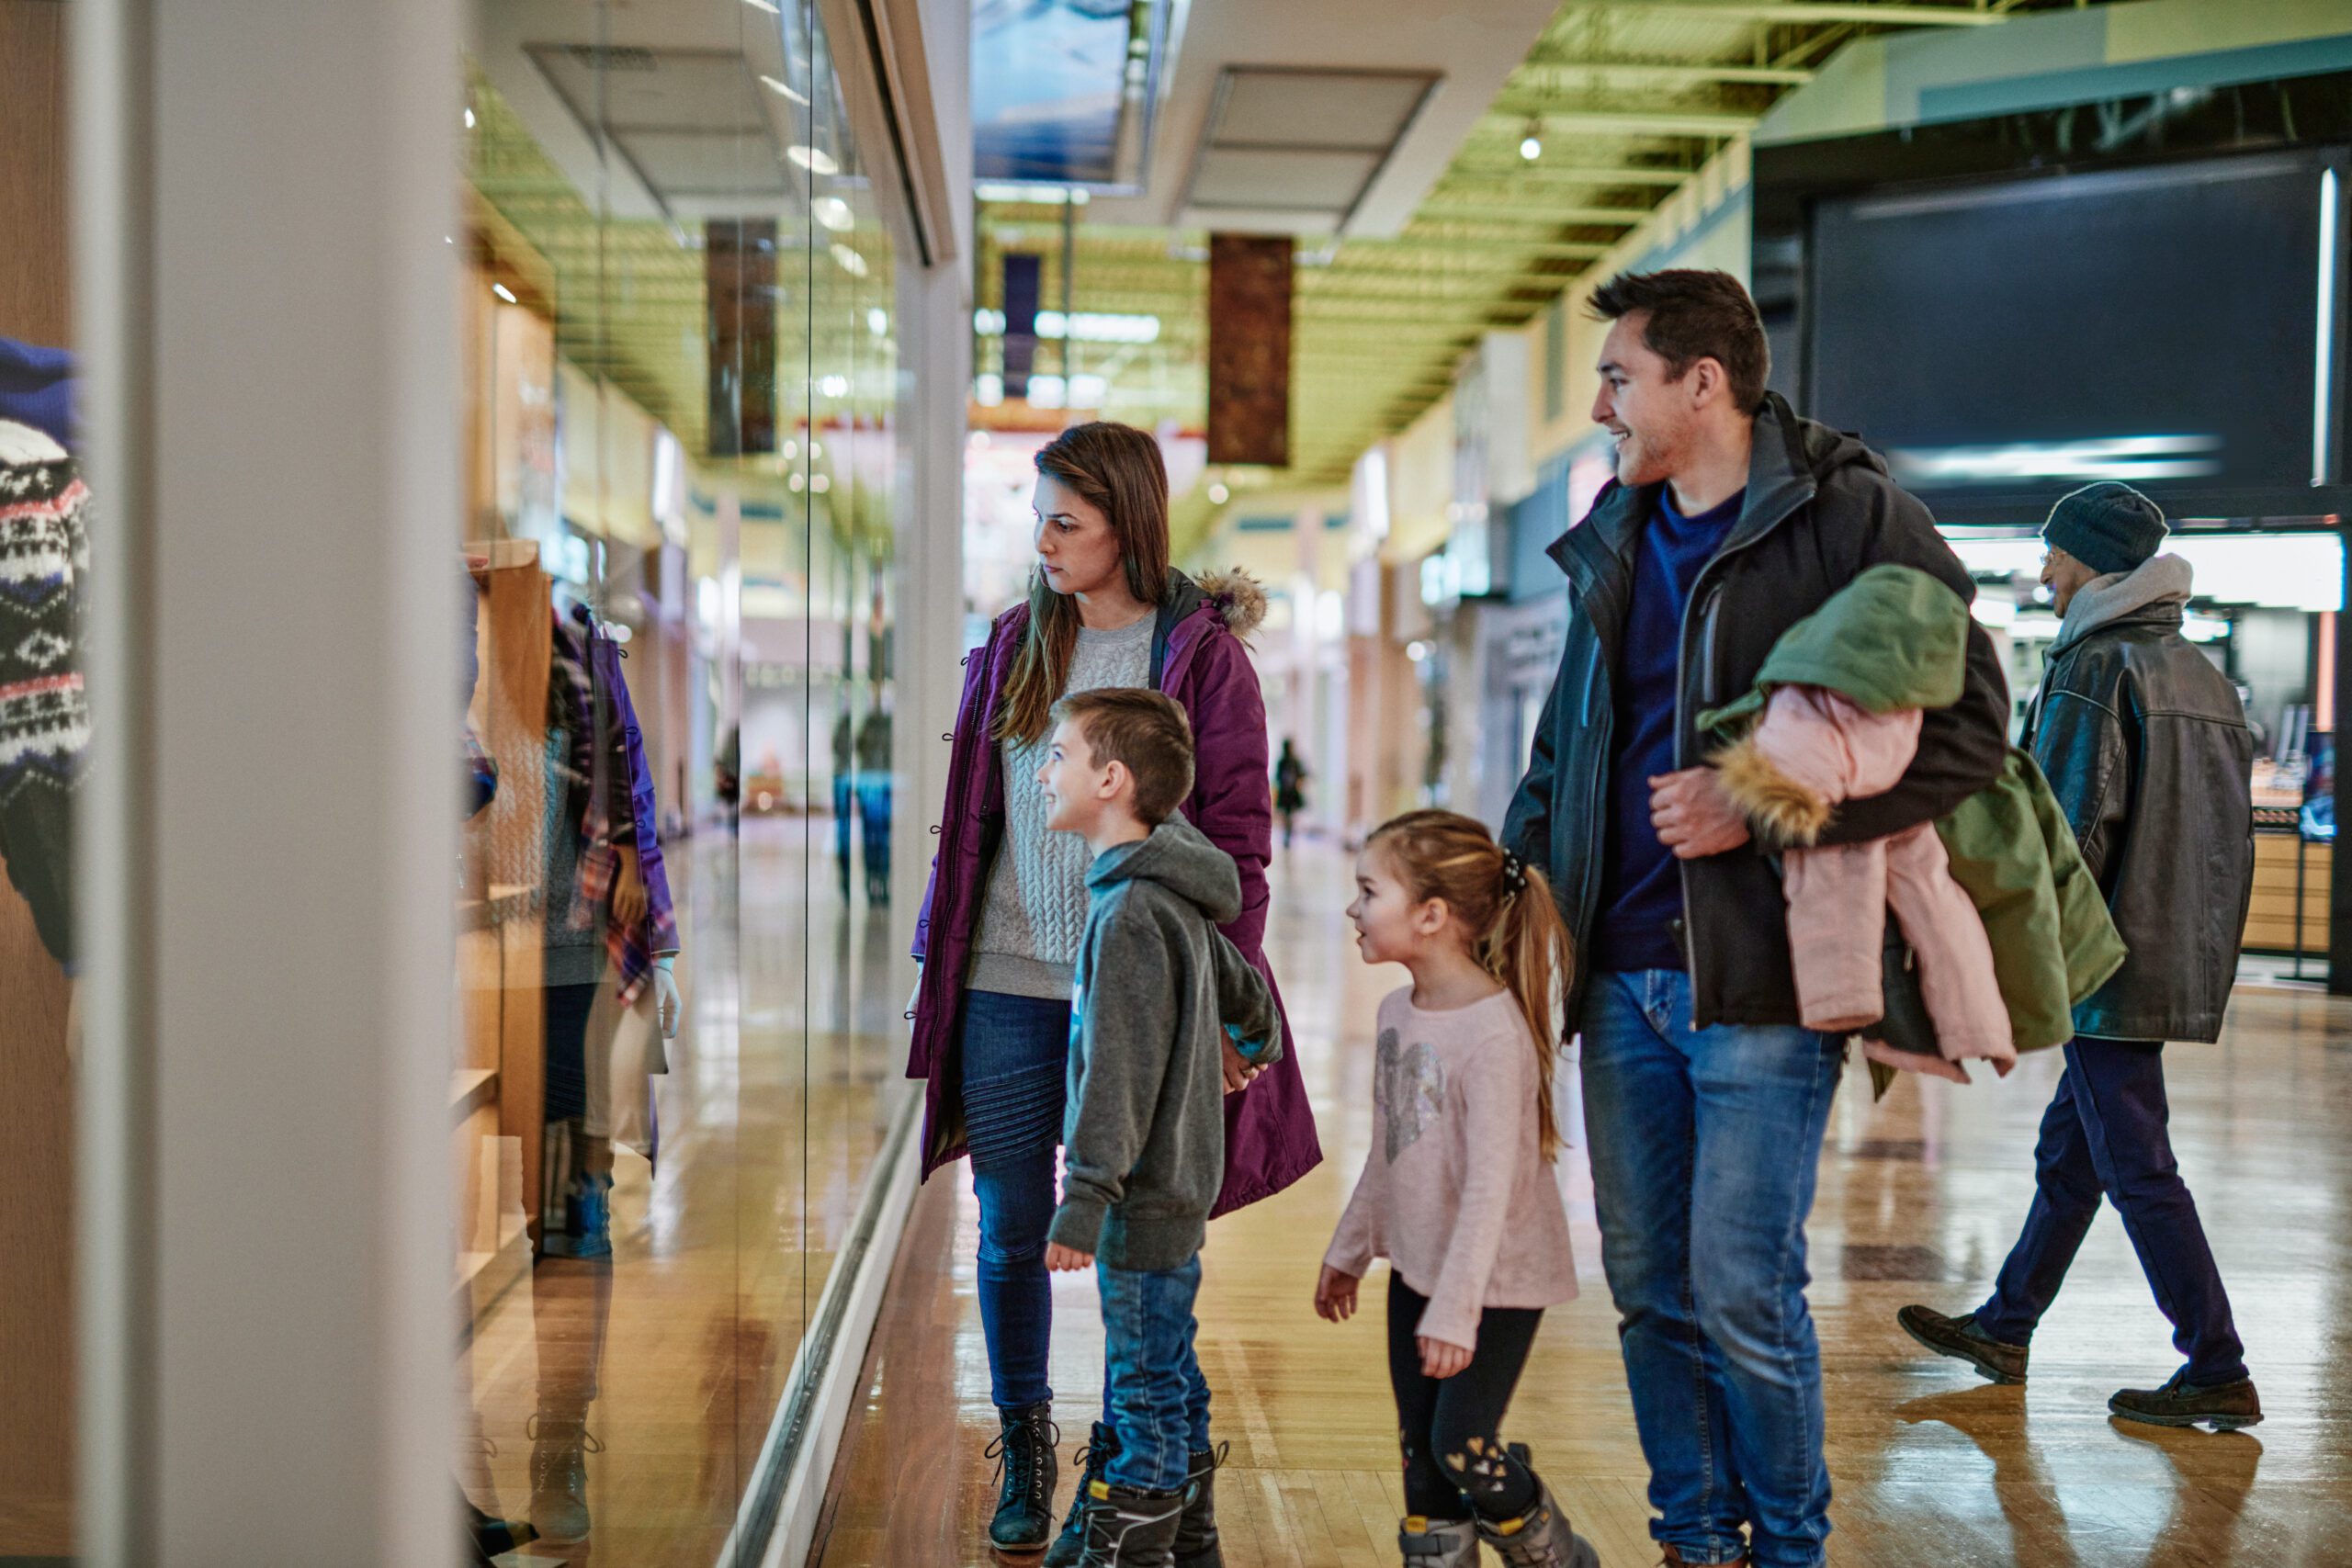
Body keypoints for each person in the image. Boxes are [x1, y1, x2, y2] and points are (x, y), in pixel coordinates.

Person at [1501, 268, 2008, 1568]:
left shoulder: (1852, 515)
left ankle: (1788, 1546)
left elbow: (1970, 730)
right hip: (1618, 973)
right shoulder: (1617, 528)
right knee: (1650, 1292)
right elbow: (1572, 736)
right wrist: (1493, 894)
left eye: (1621, 374)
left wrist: (1764, 804)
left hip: (1768, 976)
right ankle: (1695, 1538)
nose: (1602, 402)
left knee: (1742, 1289)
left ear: (1702, 382)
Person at [903, 421, 1323, 1557]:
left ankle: (1139, 1457)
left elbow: (1238, 844)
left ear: (1125, 527)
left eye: (1065, 522)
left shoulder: (1199, 657)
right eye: (1038, 516)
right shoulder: (1010, 645)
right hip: (1002, 979)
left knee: (1141, 1237)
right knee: (1010, 1226)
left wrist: (1230, 1002)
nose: (1041, 540)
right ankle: (1028, 1435)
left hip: (1131, 987)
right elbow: (981, 823)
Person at [1897, 481, 2261, 1430]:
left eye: (2055, 553)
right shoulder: (2199, 673)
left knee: (2136, 1160)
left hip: (2104, 959)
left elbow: (2058, 834)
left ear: (2094, 560)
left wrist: (1999, 951)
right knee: (2074, 1152)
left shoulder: (2094, 666)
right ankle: (2006, 1324)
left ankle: (2214, 1361)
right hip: (2167, 949)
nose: (2043, 570)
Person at [1036, 688, 1280, 1568]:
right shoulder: (1168, 892)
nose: (1043, 769)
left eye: (1059, 754)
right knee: (1168, 1372)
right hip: (1177, 1184)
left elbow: (1119, 1076)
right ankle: (1194, 1546)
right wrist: (1247, 1042)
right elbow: (1252, 999)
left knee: (1141, 1393)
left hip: (1140, 1198)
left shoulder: (1131, 911)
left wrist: (1084, 1198)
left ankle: (1133, 1554)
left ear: (1111, 779)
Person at [1316, 809, 1593, 1568]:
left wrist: (1456, 1309)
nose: (1353, 908)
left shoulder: (1494, 1035)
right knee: (1419, 1456)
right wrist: (1351, 1249)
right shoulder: (1396, 1011)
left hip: (1495, 1282)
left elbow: (1490, 1194)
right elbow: (1390, 1148)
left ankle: (1552, 1543)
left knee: (1461, 1448)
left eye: (1370, 891)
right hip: (1420, 1268)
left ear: (1431, 915)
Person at [1274, 738, 1308, 848]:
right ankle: (1287, 835)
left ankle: (1288, 835)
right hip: (1288, 793)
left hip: (1288, 793)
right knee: (1287, 815)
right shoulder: (1287, 761)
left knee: (1288, 815)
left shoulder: (1289, 761)